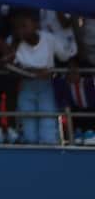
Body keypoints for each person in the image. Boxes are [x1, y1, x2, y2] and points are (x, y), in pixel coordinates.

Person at [7, 8, 75, 145]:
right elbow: (11, 66)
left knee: (48, 126)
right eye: (17, 27)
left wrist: (73, 64)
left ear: (36, 24)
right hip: (25, 87)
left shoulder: (48, 38)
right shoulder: (12, 42)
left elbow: (66, 55)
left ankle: (49, 160)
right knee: (28, 129)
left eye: (24, 25)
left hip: (46, 86)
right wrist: (35, 72)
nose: (21, 30)